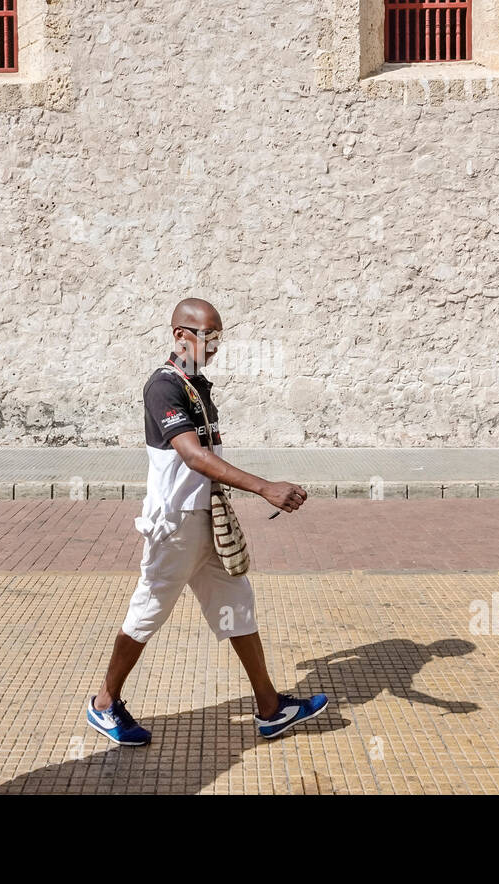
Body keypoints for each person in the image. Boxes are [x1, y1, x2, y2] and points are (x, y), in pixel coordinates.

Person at [86, 297, 327, 744]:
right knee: (147, 614)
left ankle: (270, 708)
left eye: (219, 336)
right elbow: (194, 457)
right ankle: (104, 704)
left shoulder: (196, 385)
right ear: (181, 335)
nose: (215, 345)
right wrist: (264, 487)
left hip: (207, 523)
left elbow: (206, 458)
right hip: (175, 525)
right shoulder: (164, 386)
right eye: (207, 336)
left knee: (238, 604)